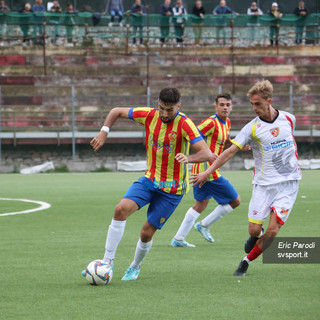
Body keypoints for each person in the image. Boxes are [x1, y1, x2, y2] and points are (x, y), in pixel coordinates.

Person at [84, 87, 213, 281]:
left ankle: (135, 266)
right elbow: (116, 111)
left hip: (172, 190)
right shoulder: (149, 115)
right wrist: (104, 131)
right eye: (161, 108)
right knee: (120, 210)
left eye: (170, 110)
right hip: (150, 179)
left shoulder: (185, 124)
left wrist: (189, 157)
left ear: (179, 106)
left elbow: (207, 153)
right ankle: (107, 263)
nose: (165, 113)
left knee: (146, 233)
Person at [191, 80, 301, 276]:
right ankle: (254, 238)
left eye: (258, 103)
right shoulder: (251, 128)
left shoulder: (289, 119)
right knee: (253, 230)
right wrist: (207, 172)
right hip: (263, 185)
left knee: (273, 231)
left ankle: (245, 261)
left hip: (288, 185)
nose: (254, 108)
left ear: (269, 101)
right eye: (251, 104)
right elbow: (230, 151)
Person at [172, 93, 248, 247]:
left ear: (231, 107)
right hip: (206, 171)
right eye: (222, 105)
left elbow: (223, 142)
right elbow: (191, 136)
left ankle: (179, 238)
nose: (225, 107)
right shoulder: (211, 123)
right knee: (235, 201)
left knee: (201, 204)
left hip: (206, 170)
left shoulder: (226, 123)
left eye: (228, 105)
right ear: (216, 107)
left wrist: (236, 145)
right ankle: (203, 225)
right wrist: (200, 154)